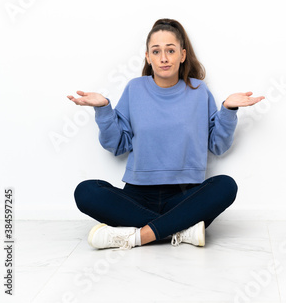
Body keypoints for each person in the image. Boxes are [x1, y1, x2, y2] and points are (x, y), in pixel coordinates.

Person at [68, 18, 264, 250]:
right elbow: (116, 146)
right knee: (86, 192)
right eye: (156, 51)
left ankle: (138, 236)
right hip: (137, 196)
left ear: (182, 55)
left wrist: (229, 110)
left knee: (226, 186)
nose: (163, 58)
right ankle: (180, 229)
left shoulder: (199, 91)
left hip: (186, 195)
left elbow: (218, 145)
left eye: (170, 50)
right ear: (148, 57)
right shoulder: (134, 89)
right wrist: (103, 109)